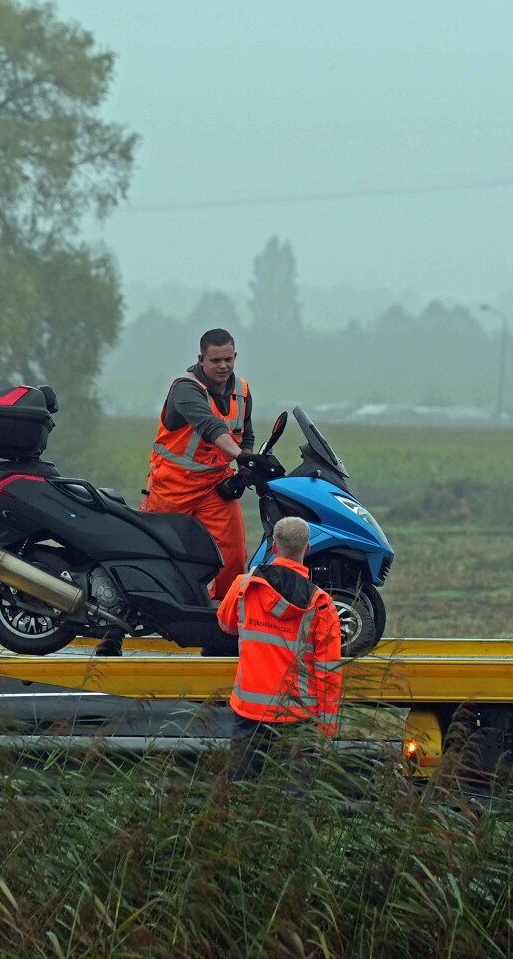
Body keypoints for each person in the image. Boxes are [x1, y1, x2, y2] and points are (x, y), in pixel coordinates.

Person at [216, 516, 342, 779]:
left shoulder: (243, 586)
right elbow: (328, 672)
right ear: (307, 549)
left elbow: (226, 624)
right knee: (292, 799)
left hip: (249, 711)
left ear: (273, 546)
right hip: (297, 716)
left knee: (240, 791)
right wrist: (327, 728)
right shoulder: (320, 603)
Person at [142, 327, 256, 596]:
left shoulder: (242, 391)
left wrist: (246, 466)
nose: (223, 366)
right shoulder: (186, 388)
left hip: (216, 484)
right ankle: (154, 609)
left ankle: (224, 616)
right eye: (216, 360)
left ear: (235, 356)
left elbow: (246, 434)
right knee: (159, 554)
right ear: (201, 359)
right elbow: (210, 426)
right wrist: (241, 455)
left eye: (228, 359)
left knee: (234, 555)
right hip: (173, 485)